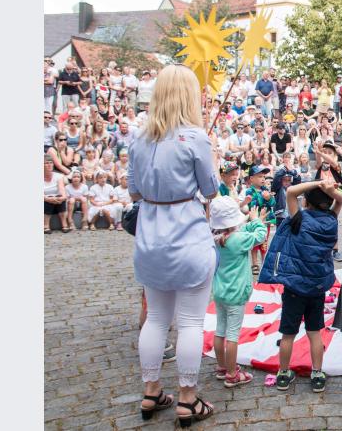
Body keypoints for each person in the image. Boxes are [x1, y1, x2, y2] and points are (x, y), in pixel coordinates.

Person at [128, 65, 220, 427]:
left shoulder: (138, 137)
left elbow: (133, 190)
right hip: (186, 233)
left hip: (150, 233)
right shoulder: (195, 137)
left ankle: (152, 390)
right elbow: (211, 189)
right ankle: (187, 398)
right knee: (191, 321)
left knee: (156, 318)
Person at [258, 179, 342, 392]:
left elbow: (290, 191)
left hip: (294, 287)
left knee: (288, 334)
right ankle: (317, 373)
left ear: (306, 201)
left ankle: (283, 373)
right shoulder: (331, 220)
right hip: (316, 288)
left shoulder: (298, 218)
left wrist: (317, 182)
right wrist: (328, 188)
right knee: (315, 332)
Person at [209, 197, 268, 388]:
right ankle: (232, 373)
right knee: (233, 334)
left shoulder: (215, 237)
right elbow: (260, 235)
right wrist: (256, 219)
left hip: (220, 291)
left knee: (220, 330)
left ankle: (221, 366)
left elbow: (240, 231)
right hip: (236, 293)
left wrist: (248, 223)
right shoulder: (239, 239)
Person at [43, 154, 70, 234]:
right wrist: (47, 199)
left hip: (57, 200)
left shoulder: (59, 176)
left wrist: (61, 198)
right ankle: (46, 225)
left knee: (60, 198)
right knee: (48, 200)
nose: (49, 165)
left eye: (51, 163)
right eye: (47, 163)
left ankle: (64, 224)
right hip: (45, 200)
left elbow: (62, 191)